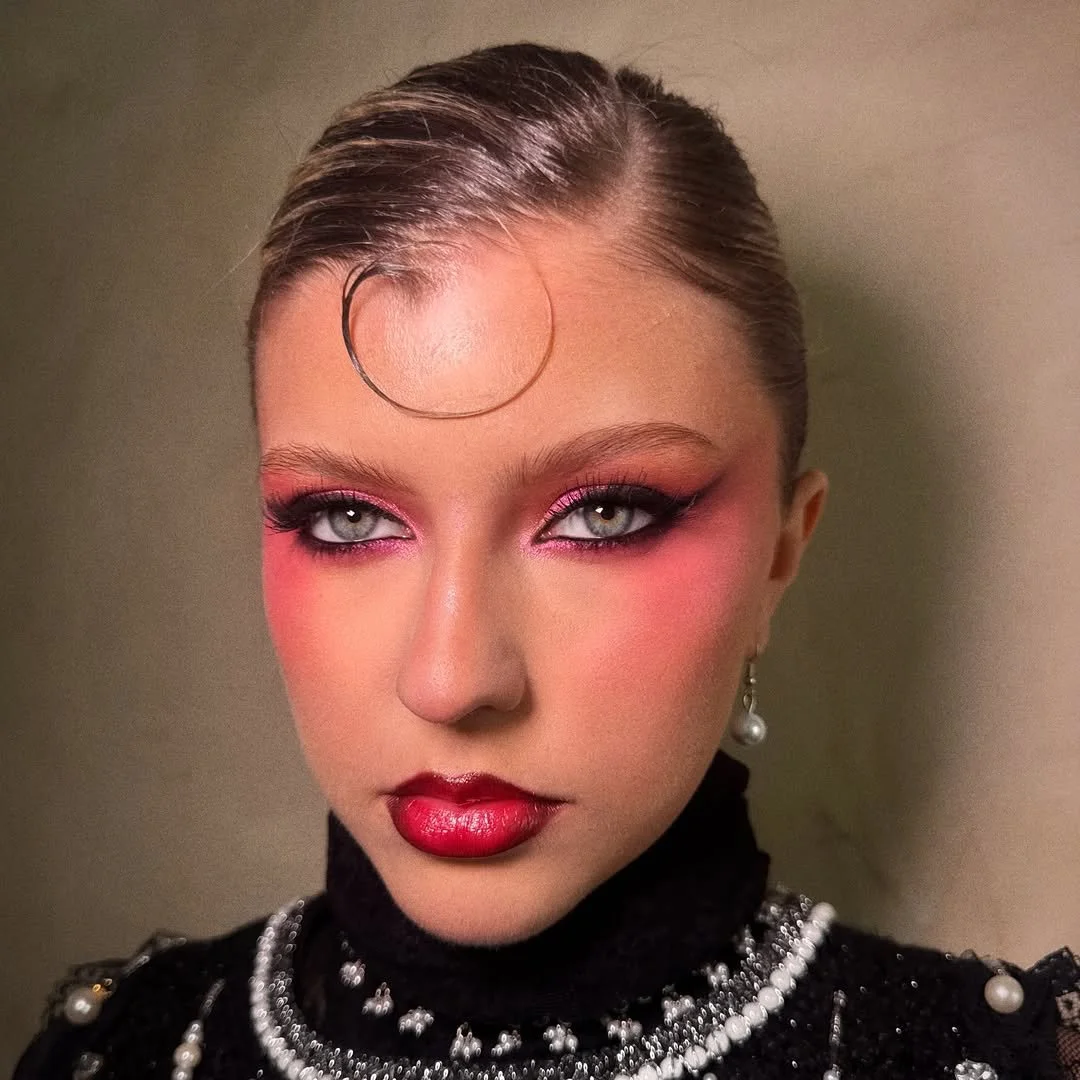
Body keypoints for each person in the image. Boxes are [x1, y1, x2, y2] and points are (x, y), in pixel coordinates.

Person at [16, 42, 1078, 1080]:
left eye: (606, 514)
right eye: (344, 519)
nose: (453, 680)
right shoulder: (120, 1050)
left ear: (779, 558)